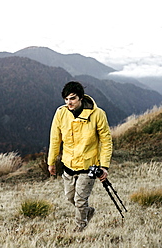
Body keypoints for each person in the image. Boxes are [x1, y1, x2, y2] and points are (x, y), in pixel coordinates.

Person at [47, 81, 113, 232]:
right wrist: (51, 162)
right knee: (70, 197)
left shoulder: (98, 114)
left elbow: (106, 142)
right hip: (68, 165)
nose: (68, 102)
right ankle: (88, 212)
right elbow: (55, 139)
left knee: (80, 199)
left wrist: (104, 166)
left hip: (88, 166)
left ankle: (80, 227)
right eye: (66, 99)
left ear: (81, 98)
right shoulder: (61, 113)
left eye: (72, 98)